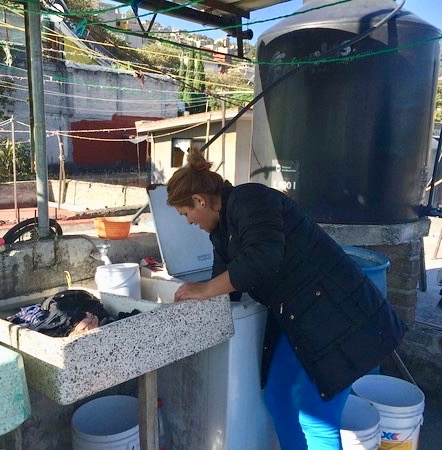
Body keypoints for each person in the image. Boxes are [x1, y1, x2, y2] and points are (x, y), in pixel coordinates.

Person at [167, 147, 406, 450]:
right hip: (301, 319)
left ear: (199, 201)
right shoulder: (222, 229)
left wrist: (202, 289)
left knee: (317, 416)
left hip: (337, 315)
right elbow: (225, 286)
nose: (188, 222)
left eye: (185, 213)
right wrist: (185, 315)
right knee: (278, 397)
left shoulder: (249, 199)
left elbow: (262, 258)